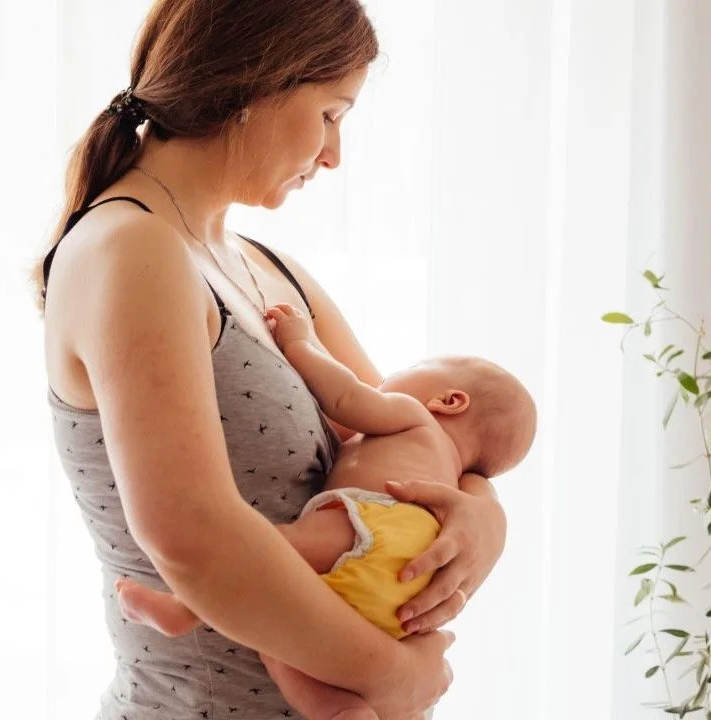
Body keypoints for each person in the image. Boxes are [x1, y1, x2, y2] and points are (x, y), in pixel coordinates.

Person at [35, 1, 511, 717]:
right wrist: (391, 676)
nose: (334, 155)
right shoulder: (132, 250)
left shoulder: (264, 268)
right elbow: (191, 539)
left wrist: (483, 517)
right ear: (257, 82)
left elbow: (409, 439)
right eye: (330, 114)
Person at [115, 303, 538, 719]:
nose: (387, 377)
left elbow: (345, 394)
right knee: (278, 633)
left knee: (268, 554)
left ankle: (182, 607)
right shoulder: (450, 471)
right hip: (411, 578)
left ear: (448, 400)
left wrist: (301, 342)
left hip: (376, 520)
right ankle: (343, 710)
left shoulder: (414, 417)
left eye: (409, 369)